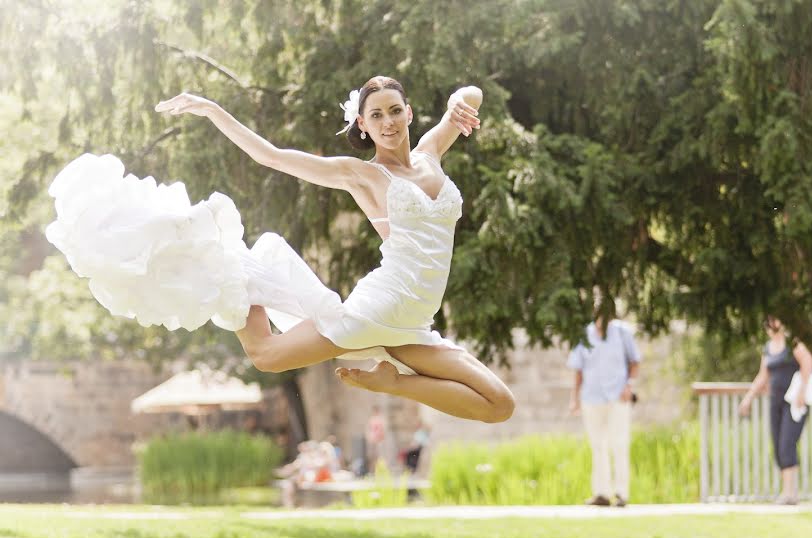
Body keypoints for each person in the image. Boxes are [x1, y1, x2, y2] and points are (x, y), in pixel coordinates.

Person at [46, 76, 515, 424]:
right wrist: (213, 111)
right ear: (363, 126)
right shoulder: (364, 175)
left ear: (409, 113)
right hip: (381, 307)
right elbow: (271, 156)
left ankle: (396, 384)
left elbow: (472, 95)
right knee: (267, 357)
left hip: (414, 322)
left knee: (499, 405)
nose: (388, 122)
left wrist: (460, 101)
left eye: (395, 111)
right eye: (377, 116)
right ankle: (230, 265)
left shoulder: (432, 154)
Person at [738, 317, 812, 505]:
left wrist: (803, 392)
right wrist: (748, 398)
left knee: (787, 442)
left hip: (794, 400)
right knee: (777, 443)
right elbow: (762, 376)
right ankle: (786, 490)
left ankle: (790, 493)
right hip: (775, 401)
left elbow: (808, 363)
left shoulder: (793, 343)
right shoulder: (767, 348)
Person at [567, 315, 641, 507]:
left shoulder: (623, 333)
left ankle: (621, 493)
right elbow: (578, 370)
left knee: (619, 443)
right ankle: (602, 493)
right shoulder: (585, 334)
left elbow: (634, 362)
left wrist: (629, 386)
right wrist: (574, 399)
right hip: (591, 397)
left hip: (618, 396)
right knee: (598, 445)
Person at [365, 405, 387, 473]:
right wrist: (368, 437)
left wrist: (381, 437)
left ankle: (380, 470)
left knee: (379, 456)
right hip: (372, 439)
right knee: (371, 456)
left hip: (379, 440)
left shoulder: (381, 419)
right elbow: (368, 429)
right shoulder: (371, 419)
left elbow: (383, 429)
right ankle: (371, 470)